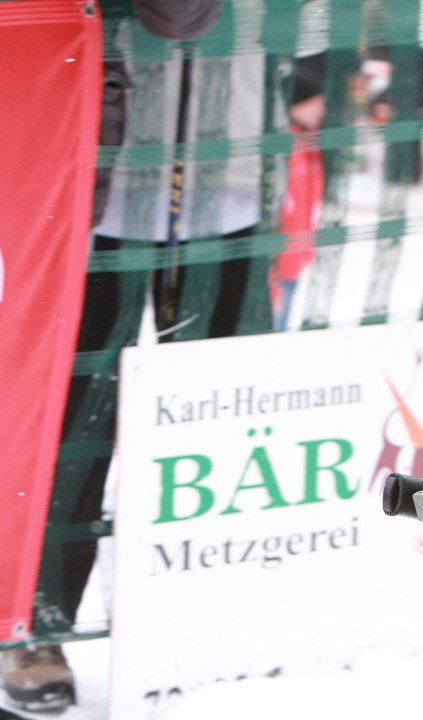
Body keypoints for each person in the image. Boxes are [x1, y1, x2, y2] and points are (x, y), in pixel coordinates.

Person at [0, 0, 278, 712]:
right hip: (97, 183)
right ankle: (37, 622)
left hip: (232, 171)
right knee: (69, 428)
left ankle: (209, 619)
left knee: (232, 424)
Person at [270, 53, 326, 332]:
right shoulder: (285, 148)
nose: (322, 109)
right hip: (276, 272)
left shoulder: (307, 144)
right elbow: (273, 217)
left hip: (293, 262)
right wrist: (270, 284)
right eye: (315, 102)